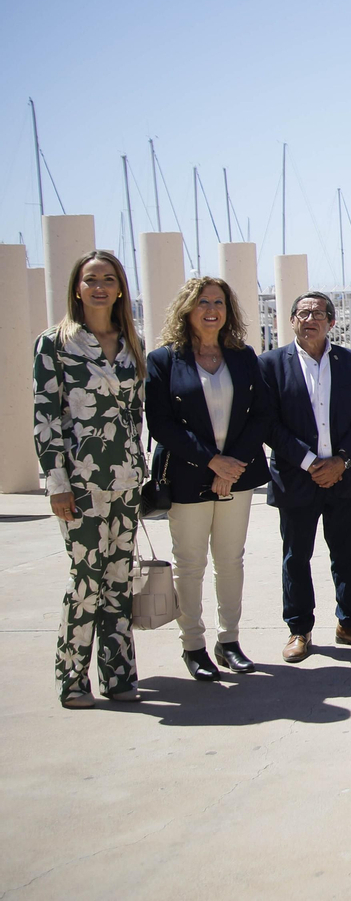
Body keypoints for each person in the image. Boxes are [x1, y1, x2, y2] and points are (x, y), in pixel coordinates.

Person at [33, 251, 146, 708]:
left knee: (119, 578)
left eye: (108, 279)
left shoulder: (130, 342)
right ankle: (72, 677)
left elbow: (136, 415)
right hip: (79, 483)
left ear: (120, 287)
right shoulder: (54, 343)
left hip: (126, 479)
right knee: (86, 579)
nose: (99, 287)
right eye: (90, 279)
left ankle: (118, 676)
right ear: (76, 289)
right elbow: (46, 417)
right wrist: (55, 482)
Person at [145, 278, 272, 679]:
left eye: (218, 302)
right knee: (190, 563)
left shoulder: (244, 356)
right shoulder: (165, 359)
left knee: (231, 561)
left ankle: (229, 640)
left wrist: (232, 464)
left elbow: (262, 415)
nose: (211, 309)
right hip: (186, 475)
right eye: (202, 302)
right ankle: (194, 646)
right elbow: (161, 424)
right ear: (187, 309)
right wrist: (212, 462)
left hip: (238, 473)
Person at [259, 291, 351, 660]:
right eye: (302, 313)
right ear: (292, 320)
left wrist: (341, 461)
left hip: (344, 476)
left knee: (348, 555)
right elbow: (268, 423)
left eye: (318, 313)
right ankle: (299, 630)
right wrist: (311, 461)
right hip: (296, 478)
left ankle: (350, 623)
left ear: (331, 321)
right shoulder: (270, 364)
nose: (310, 319)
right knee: (296, 557)